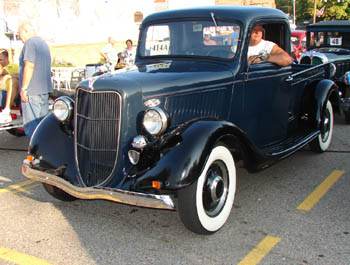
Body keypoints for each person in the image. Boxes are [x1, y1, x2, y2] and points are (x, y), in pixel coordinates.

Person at [18, 21, 53, 138]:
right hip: (44, 89)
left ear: (25, 31)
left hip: (32, 91)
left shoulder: (30, 43)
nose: (19, 38)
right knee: (42, 124)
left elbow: (29, 65)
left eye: (19, 34)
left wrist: (24, 88)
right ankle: (44, 152)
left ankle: (34, 153)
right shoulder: (43, 43)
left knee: (31, 125)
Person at [0, 49, 20, 124]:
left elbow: (2, 72)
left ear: (7, 58)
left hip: (10, 93)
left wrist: (8, 76)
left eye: (0, 59)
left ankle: (6, 111)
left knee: (13, 81)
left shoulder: (13, 66)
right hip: (3, 92)